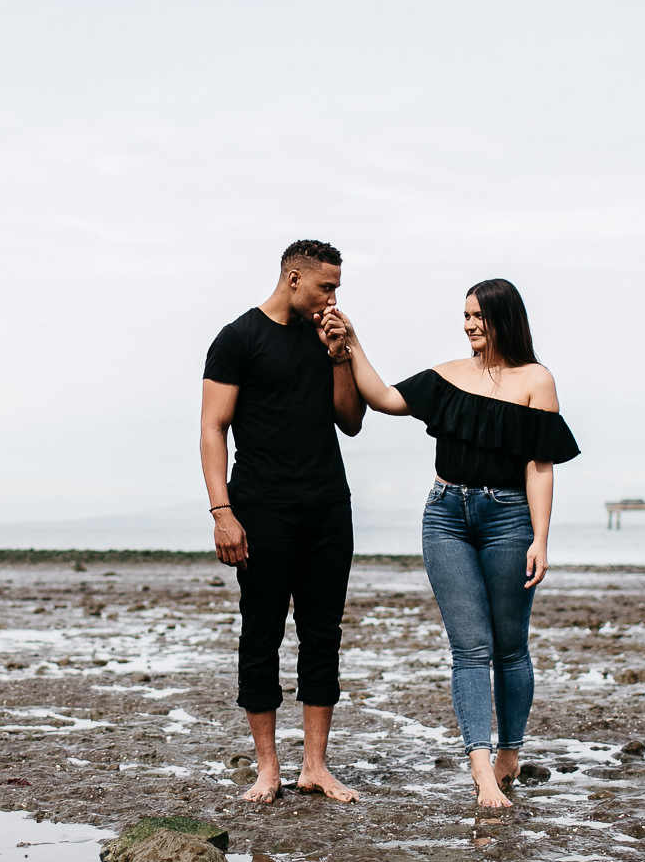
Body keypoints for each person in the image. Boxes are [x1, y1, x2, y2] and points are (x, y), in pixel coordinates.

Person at [333, 279, 579, 808]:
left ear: (503, 319)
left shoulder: (536, 380)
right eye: (465, 315)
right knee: (470, 648)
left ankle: (511, 750)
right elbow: (383, 398)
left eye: (478, 316)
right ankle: (481, 769)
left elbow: (540, 466)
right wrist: (352, 342)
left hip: (509, 518)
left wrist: (540, 537)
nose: (469, 324)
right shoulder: (448, 375)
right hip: (445, 517)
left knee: (510, 646)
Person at [201, 239, 365, 804]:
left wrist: (340, 356)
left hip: (327, 506)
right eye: (327, 286)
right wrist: (223, 512)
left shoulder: (328, 338)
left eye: (337, 287)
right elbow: (212, 427)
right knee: (261, 632)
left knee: (323, 634)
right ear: (294, 278)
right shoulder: (238, 338)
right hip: (261, 507)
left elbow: (350, 421)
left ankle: (314, 766)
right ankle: (267, 769)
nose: (333, 298)